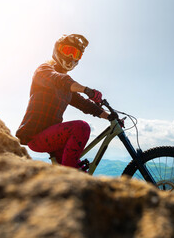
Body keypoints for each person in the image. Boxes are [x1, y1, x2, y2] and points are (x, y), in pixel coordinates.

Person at [16, 34, 109, 170]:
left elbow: (85, 105)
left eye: (76, 53)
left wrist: (110, 117)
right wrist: (87, 90)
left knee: (79, 170)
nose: (71, 57)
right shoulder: (43, 70)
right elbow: (59, 80)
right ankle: (69, 178)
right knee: (82, 128)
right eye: (68, 51)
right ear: (58, 50)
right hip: (36, 136)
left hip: (53, 137)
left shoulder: (66, 88)